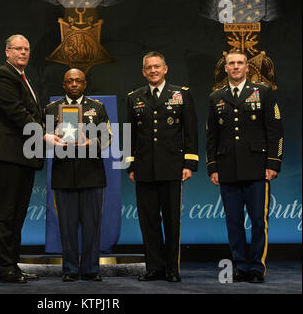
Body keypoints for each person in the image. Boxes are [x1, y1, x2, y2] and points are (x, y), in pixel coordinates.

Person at [206, 50, 283, 283]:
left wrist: (273, 163)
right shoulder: (216, 97)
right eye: (232, 63)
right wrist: (213, 167)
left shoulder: (264, 93)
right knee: (233, 220)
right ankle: (239, 266)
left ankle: (257, 268)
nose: (236, 67)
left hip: (257, 167)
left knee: (259, 220)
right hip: (228, 168)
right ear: (226, 68)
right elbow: (211, 137)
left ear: (247, 67)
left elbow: (275, 131)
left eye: (240, 63)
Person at [126, 51, 198, 282]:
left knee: (171, 220)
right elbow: (129, 135)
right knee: (148, 221)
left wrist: (189, 164)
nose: (153, 70)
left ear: (165, 69)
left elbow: (191, 132)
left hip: (172, 167)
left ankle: (172, 269)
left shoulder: (180, 94)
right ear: (143, 71)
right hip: (144, 169)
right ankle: (154, 268)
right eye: (149, 67)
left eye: (157, 66)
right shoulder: (134, 97)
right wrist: (130, 166)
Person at [0, 34, 44, 283]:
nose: (23, 53)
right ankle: (4, 267)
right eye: (18, 49)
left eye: (26, 49)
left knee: (17, 216)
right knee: (5, 214)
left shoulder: (22, 77)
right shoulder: (2, 76)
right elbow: (17, 113)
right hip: (6, 156)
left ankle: (13, 265)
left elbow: (31, 113)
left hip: (22, 156)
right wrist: (45, 134)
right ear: (7, 52)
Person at [44, 68, 112, 282]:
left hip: (92, 174)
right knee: (67, 226)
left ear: (85, 84)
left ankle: (92, 269)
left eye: (78, 81)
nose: (74, 84)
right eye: (70, 81)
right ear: (64, 85)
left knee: (92, 226)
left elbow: (108, 137)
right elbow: (38, 141)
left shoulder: (97, 107)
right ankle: (70, 270)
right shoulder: (51, 109)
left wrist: (93, 143)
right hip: (63, 174)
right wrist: (48, 139)